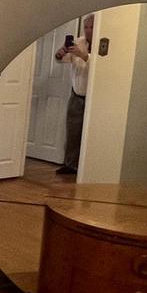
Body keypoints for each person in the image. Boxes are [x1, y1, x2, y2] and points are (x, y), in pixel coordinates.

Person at [55, 14, 94, 176]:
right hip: (77, 92)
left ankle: (88, 166)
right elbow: (60, 60)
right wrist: (62, 51)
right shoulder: (78, 42)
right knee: (73, 130)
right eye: (86, 27)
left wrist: (83, 55)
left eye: (91, 27)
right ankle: (70, 165)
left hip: (95, 96)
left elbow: (101, 65)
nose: (88, 30)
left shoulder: (103, 43)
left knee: (91, 132)